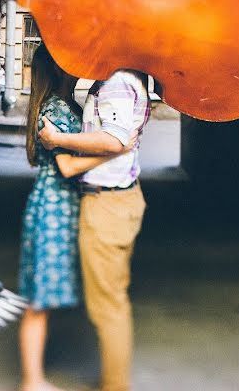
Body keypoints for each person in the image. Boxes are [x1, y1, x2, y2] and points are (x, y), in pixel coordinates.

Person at [19, 45, 133, 391]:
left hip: (59, 208)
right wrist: (119, 148)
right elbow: (68, 166)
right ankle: (32, 380)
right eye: (71, 62)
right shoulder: (56, 108)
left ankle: (32, 378)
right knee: (38, 301)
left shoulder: (64, 105)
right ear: (58, 70)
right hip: (54, 208)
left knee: (44, 298)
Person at [39, 69, 151, 391]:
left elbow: (115, 140)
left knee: (107, 306)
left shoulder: (116, 81)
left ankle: (115, 386)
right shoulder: (127, 78)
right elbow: (119, 139)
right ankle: (115, 381)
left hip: (106, 205)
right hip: (119, 199)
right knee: (114, 299)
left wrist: (58, 140)